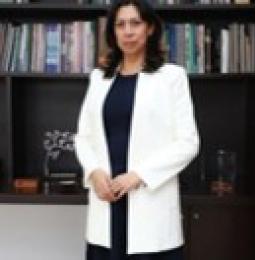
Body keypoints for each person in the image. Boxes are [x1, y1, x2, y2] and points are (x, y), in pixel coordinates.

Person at [74, 0, 200, 259]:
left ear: (150, 28)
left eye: (135, 23)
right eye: (120, 25)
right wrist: (95, 173)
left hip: (148, 199)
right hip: (107, 196)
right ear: (113, 32)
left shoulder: (172, 77)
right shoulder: (99, 78)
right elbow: (83, 136)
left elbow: (188, 142)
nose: (127, 31)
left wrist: (138, 175)